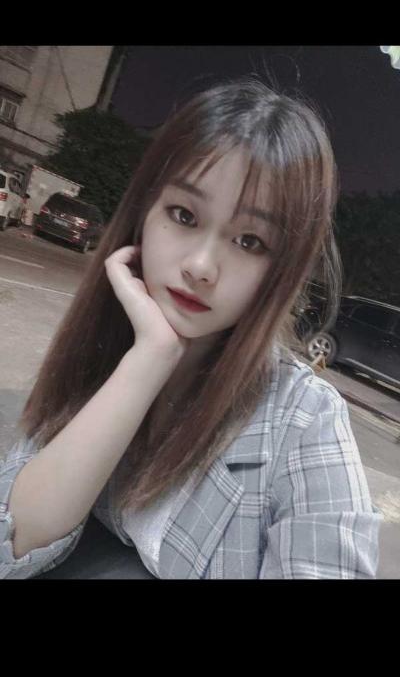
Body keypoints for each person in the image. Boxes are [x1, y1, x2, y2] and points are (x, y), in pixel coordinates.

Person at [0, 78, 382, 579]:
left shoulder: (302, 418)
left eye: (250, 242)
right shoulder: (101, 348)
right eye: (184, 215)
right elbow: (11, 544)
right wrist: (148, 359)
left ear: (283, 270)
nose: (201, 266)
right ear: (144, 213)